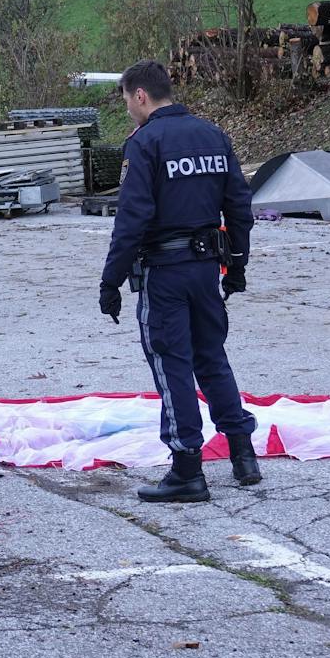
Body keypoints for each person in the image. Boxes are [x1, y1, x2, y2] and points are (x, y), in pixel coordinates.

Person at [98, 60, 260, 503]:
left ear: (140, 96)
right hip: (208, 268)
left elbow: (132, 219)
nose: (130, 109)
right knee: (211, 357)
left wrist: (110, 280)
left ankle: (187, 468)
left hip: (164, 273)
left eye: (128, 101)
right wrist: (238, 265)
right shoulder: (213, 135)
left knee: (173, 365)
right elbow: (239, 206)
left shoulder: (145, 143)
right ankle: (244, 456)